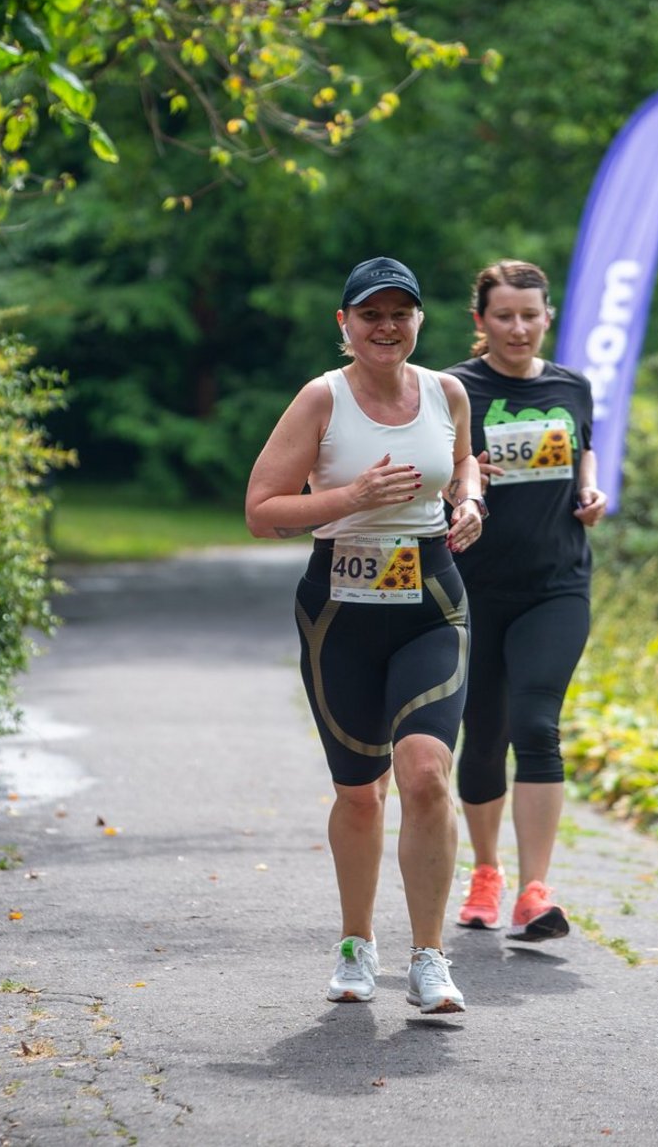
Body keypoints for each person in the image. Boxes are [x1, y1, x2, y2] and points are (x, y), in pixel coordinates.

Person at [245, 256, 484, 1014]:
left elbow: (463, 462)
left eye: (400, 313)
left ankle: (429, 957)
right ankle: (356, 942)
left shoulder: (448, 391)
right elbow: (260, 509)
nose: (387, 327)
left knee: (425, 775)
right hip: (340, 614)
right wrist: (350, 495)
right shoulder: (323, 399)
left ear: (420, 321)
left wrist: (471, 499)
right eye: (370, 314)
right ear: (343, 324)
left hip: (431, 602)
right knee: (359, 794)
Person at [445, 259, 607, 941]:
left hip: (556, 582)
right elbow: (448, 466)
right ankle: (487, 871)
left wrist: (591, 490)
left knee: (536, 725)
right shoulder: (454, 387)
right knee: (482, 740)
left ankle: (535, 892)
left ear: (548, 318)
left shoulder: (573, 385)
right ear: (481, 322)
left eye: (530, 315)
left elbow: (585, 449)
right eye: (503, 316)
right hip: (476, 587)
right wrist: (466, 487)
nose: (518, 328)